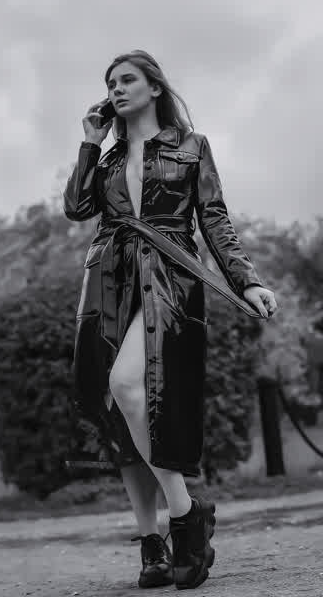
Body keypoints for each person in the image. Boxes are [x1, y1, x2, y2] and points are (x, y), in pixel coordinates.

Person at [63, 49, 278, 590]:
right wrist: (90, 143)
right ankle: (152, 545)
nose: (116, 89)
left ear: (154, 87)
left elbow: (214, 218)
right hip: (108, 282)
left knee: (129, 386)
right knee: (118, 410)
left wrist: (246, 279)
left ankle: (185, 513)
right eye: (110, 83)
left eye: (127, 79)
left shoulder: (191, 146)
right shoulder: (108, 159)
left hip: (168, 280)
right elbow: (77, 207)